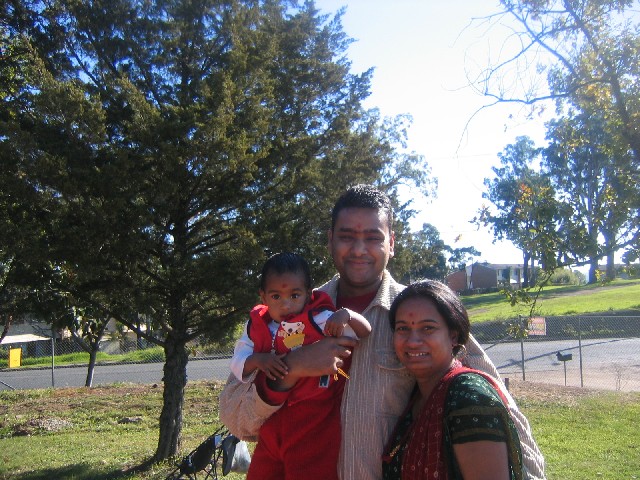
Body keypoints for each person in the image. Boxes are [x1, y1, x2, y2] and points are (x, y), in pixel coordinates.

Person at [219, 184, 545, 480]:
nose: (359, 249)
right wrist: (293, 368)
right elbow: (236, 419)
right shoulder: (287, 312)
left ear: (391, 243)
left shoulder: (422, 316)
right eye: (347, 236)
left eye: (373, 237)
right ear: (330, 240)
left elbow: (503, 414)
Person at [229, 252, 371, 480]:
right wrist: (258, 360)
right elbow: (238, 363)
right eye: (276, 296)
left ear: (308, 294)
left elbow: (364, 331)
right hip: (272, 419)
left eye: (295, 295)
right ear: (263, 296)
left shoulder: (317, 318)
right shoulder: (256, 327)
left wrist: (347, 315)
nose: (286, 304)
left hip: (314, 419)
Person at [382, 279, 526, 480]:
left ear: (453, 336)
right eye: (403, 328)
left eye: (428, 328)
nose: (413, 341)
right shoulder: (417, 395)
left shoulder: (468, 397)